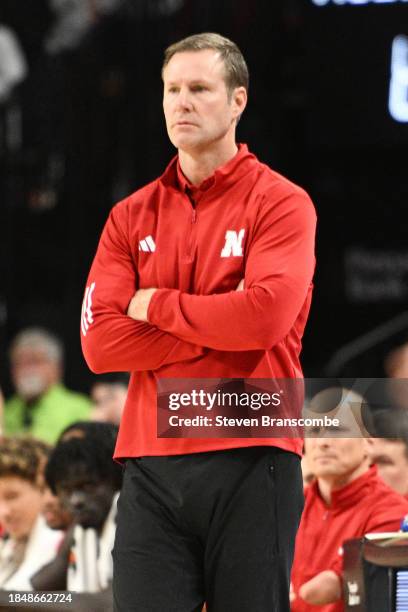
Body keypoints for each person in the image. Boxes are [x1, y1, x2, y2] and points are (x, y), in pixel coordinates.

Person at [81, 32, 316, 611]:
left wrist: (155, 304)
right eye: (172, 90)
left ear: (237, 100)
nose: (181, 102)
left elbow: (262, 321)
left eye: (199, 89)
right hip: (151, 460)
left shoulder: (282, 203)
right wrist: (219, 322)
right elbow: (101, 346)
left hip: (253, 448)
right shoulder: (128, 215)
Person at [290, 435, 408, 611]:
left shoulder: (393, 511)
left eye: (336, 429)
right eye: (313, 430)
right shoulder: (289, 504)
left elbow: (319, 591)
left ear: (368, 442)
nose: (323, 442)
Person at [4, 327, 91, 443]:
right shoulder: (5, 411)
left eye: (35, 361)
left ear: (57, 367)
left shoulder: (82, 410)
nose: (26, 370)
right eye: (18, 363)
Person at [0, 436, 62, 591]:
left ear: (45, 486)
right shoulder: (12, 545)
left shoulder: (56, 539)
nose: (3, 512)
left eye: (12, 496)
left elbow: (21, 596)